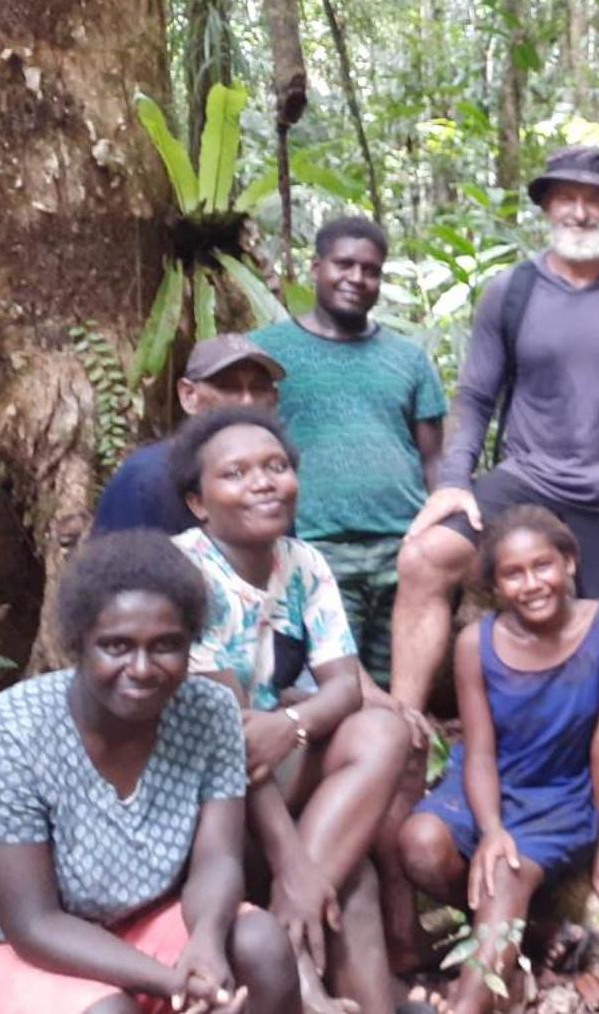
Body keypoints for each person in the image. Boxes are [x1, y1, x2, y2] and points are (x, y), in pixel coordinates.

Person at [0, 530, 302, 1014]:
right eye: (116, 646)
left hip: (126, 924)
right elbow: (34, 926)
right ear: (79, 645)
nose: (142, 668)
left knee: (260, 946)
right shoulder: (8, 737)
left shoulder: (209, 712)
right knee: (108, 1011)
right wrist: (174, 979)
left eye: (166, 646)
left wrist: (207, 945)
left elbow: (216, 860)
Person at [392, 146, 599, 717]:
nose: (580, 212)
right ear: (548, 208)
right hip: (527, 479)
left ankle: (585, 758)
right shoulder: (512, 293)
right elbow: (476, 396)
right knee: (424, 558)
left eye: (593, 200)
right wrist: (454, 479)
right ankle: (402, 725)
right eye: (567, 199)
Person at [169, 406, 414, 1014]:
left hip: (269, 759)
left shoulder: (302, 562)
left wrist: (292, 722)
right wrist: (297, 871)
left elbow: (345, 689)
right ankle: (296, 943)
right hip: (199, 796)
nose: (263, 482)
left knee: (382, 731)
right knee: (343, 882)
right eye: (237, 473)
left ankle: (328, 963)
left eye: (276, 466)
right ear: (199, 503)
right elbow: (230, 744)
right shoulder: (186, 573)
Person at [396, 505, 599, 1014]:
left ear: (569, 563)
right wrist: (490, 828)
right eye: (513, 574)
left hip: (560, 794)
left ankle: (468, 1003)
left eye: (543, 566)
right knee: (420, 844)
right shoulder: (476, 644)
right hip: (491, 783)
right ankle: (534, 935)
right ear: (494, 585)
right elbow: (481, 749)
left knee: (504, 873)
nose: (531, 583)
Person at [252, 217, 448, 691]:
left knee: (400, 693)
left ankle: (404, 763)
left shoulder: (408, 358)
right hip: (316, 552)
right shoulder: (266, 353)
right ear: (315, 268)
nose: (357, 279)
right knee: (331, 690)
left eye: (371, 270)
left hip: (403, 551)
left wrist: (442, 538)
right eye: (344, 265)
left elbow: (434, 460)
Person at [93, 334, 285, 536]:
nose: (247, 401)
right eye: (228, 386)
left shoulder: (275, 477)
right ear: (188, 395)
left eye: (259, 388)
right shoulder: (147, 478)